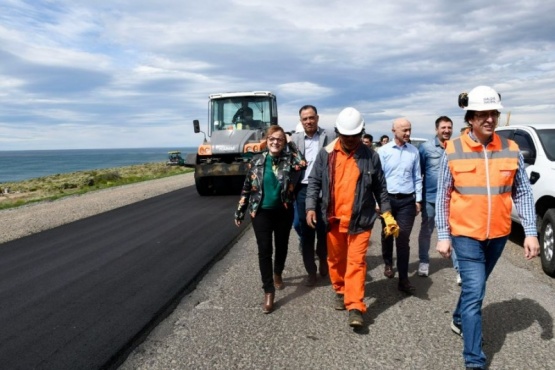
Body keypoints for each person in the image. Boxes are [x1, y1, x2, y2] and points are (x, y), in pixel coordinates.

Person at [435, 85, 539, 369]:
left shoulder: (511, 148)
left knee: (473, 289)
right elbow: (443, 195)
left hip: (499, 234)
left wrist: (530, 231)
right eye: (482, 114)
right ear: (470, 118)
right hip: (465, 235)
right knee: (476, 292)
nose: (489, 119)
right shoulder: (453, 149)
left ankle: (458, 319)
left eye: (493, 113)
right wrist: (443, 236)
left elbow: (523, 193)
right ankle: (474, 360)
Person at [305, 107, 393, 328]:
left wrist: (387, 212)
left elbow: (380, 187)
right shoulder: (326, 154)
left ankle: (355, 306)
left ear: (361, 132)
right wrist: (310, 207)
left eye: (355, 135)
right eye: (346, 135)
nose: (351, 139)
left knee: (356, 263)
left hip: (360, 220)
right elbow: (314, 182)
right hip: (332, 219)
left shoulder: (371, 156)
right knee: (335, 260)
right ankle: (340, 289)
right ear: (338, 133)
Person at [234, 125, 306, 314]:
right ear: (266, 140)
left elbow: (302, 163)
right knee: (265, 251)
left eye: (280, 139)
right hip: (261, 213)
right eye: (272, 139)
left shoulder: (289, 159)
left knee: (281, 247)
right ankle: (268, 291)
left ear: (283, 142)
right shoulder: (256, 161)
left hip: (283, 211)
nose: (275, 142)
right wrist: (240, 211)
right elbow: (247, 187)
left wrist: (291, 144)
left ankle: (278, 273)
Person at [290, 105, 335, 286]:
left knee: (324, 228)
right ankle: (311, 270)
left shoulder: (329, 136)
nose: (308, 121)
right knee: (306, 231)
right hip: (303, 189)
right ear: (301, 121)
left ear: (317, 118)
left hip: (324, 189)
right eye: (305, 119)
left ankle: (323, 258)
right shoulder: (294, 140)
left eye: (311, 118)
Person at [378, 118, 422, 294]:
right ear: (393, 130)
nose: (408, 133)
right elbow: (378, 179)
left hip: (406, 201)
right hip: (387, 200)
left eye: (409, 129)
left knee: (402, 238)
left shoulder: (414, 152)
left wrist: (418, 200)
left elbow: (417, 177)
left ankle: (403, 279)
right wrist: (377, 202)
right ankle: (388, 262)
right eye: (404, 130)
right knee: (387, 234)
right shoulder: (383, 151)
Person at [416, 116, 453, 277]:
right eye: (443, 127)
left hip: (452, 200)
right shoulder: (426, 148)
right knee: (426, 231)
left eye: (449, 127)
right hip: (431, 198)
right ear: (436, 129)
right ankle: (424, 261)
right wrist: (418, 198)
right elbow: (419, 173)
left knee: (454, 233)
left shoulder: (455, 147)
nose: (446, 130)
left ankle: (458, 267)